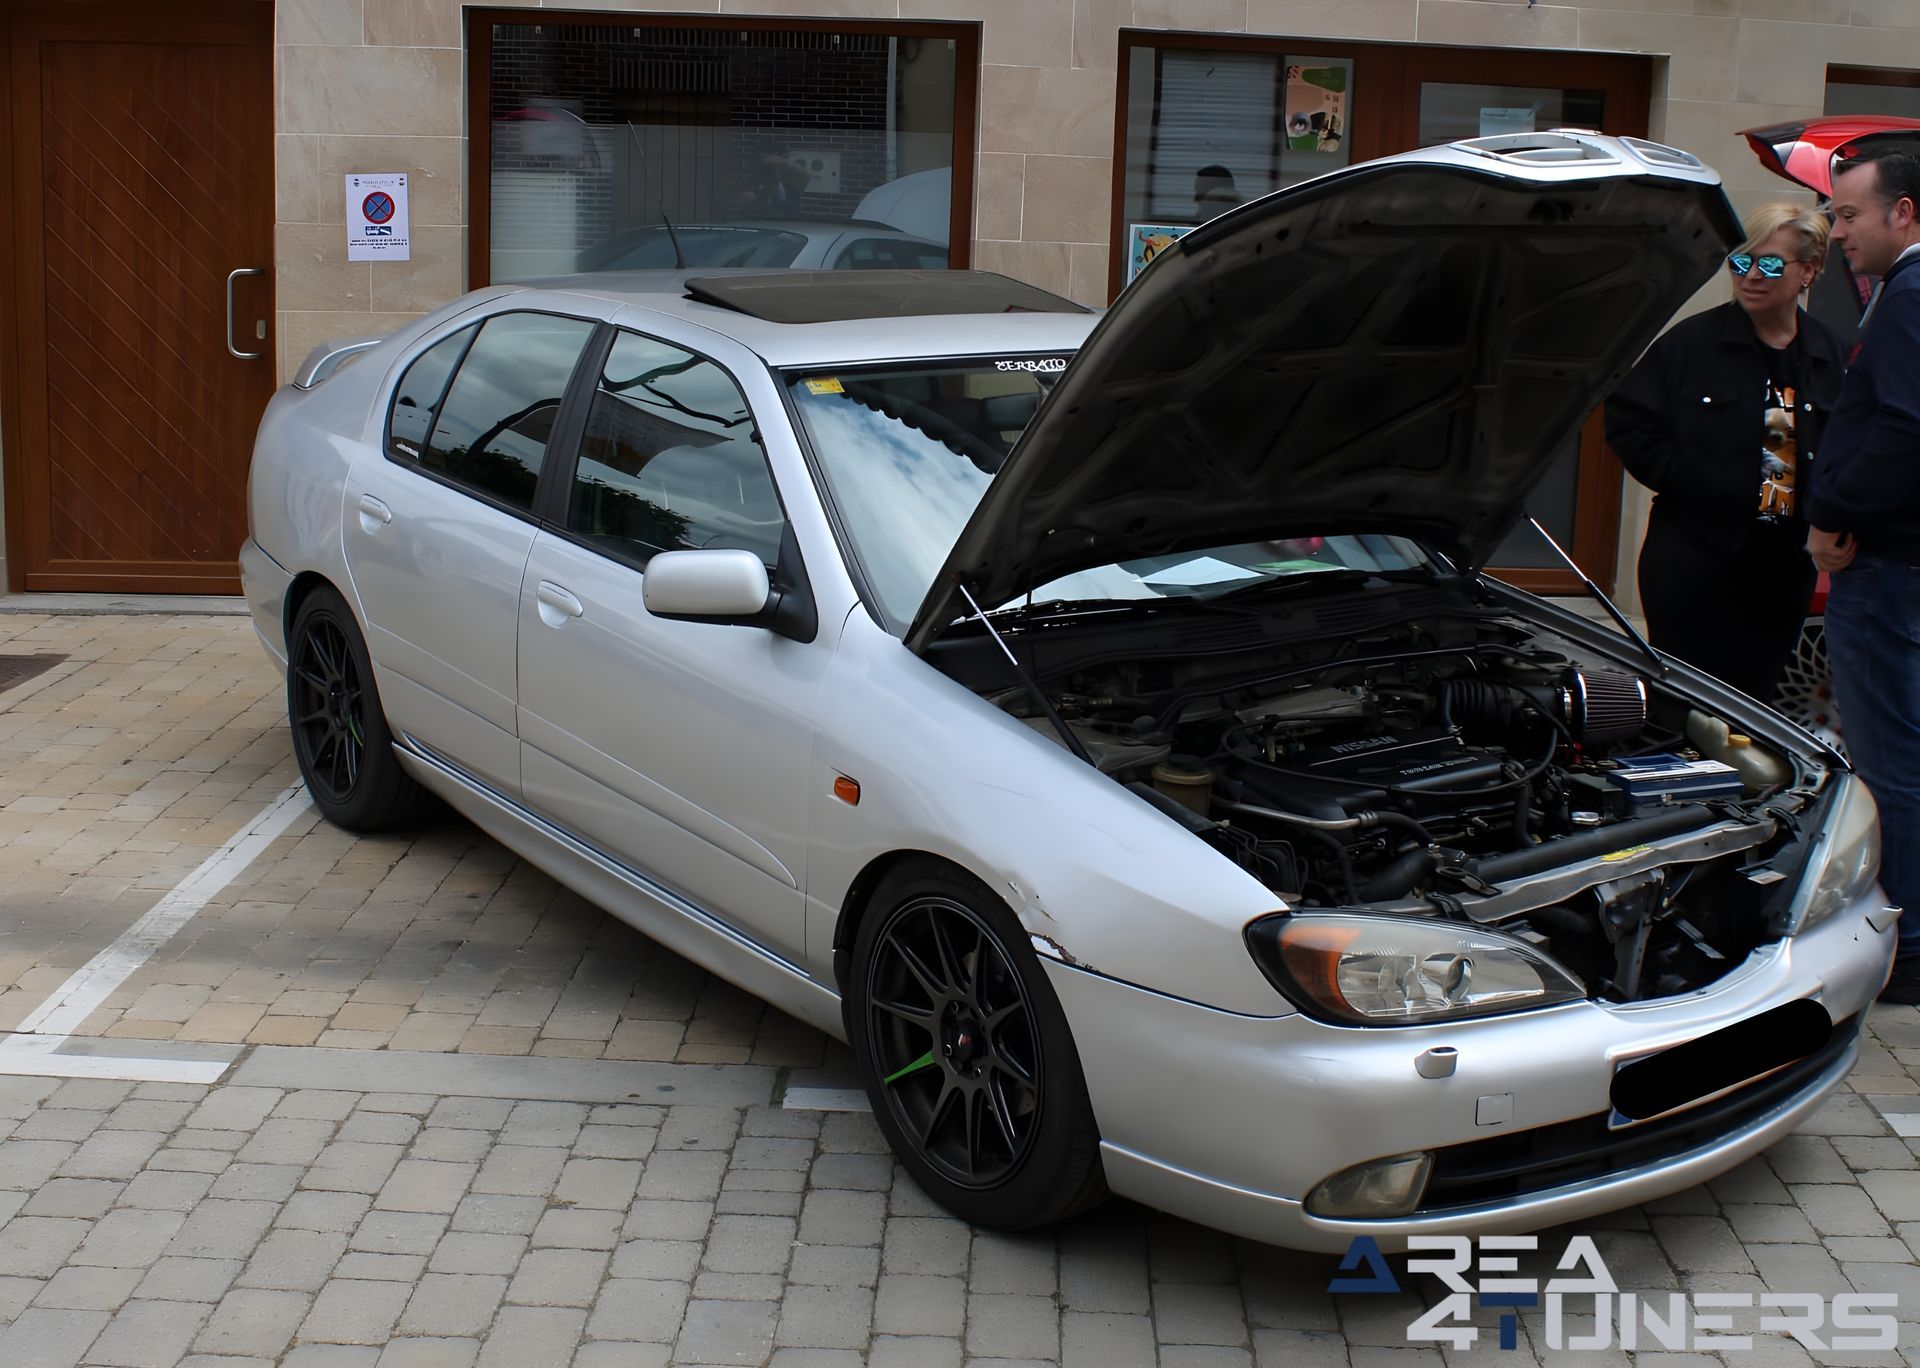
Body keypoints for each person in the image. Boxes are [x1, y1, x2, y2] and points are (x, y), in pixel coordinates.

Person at [1605, 203, 1846, 702]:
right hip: (1696, 562)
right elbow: (1628, 422)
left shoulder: (1828, 352)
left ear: (1810, 271)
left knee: (1756, 710)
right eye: (1741, 262)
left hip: (1781, 568)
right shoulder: (1691, 345)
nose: (1752, 276)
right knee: (1688, 710)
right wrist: (1693, 480)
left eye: (1771, 265)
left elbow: (1842, 442)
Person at [1803, 148, 1920, 1003]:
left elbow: (1904, 433)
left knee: (1893, 765)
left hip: (1884, 568)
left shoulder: (1910, 299)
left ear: (1904, 214)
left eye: (1848, 215)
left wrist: (1834, 511)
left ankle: (1906, 949)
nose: (1837, 231)